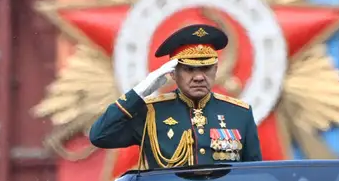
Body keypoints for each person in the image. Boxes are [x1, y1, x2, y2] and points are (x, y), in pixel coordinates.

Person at [88, 23, 264, 170]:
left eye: (206, 68)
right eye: (189, 69)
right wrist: (139, 92)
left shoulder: (239, 113)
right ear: (172, 73)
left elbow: (254, 178)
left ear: (216, 69)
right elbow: (100, 135)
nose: (199, 77)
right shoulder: (151, 113)